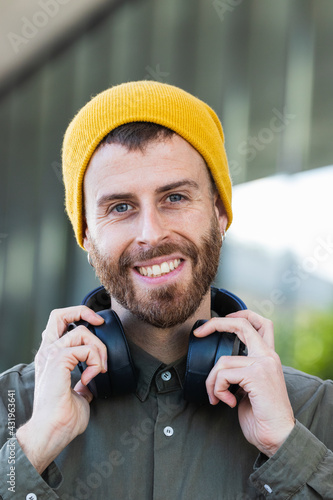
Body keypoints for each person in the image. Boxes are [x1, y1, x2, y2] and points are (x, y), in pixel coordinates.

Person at [0, 81, 332, 500]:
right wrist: (34, 446)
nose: (150, 234)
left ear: (220, 212)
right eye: (120, 207)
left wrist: (287, 447)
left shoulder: (316, 410)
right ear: (85, 234)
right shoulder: (12, 408)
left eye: (174, 197)